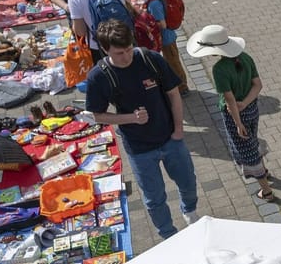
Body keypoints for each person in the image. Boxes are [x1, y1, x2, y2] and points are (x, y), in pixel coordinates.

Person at [85, 19, 199, 240]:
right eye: (120, 53)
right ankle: (168, 235)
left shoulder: (149, 59)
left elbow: (174, 93)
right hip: (139, 149)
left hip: (170, 138)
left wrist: (178, 131)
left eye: (129, 50)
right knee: (154, 197)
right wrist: (130, 118)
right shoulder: (99, 77)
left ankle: (190, 212)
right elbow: (96, 115)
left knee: (188, 182)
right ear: (105, 50)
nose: (127, 57)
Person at [187, 25, 275, 202]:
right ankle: (264, 171)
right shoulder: (246, 58)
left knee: (247, 151)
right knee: (252, 141)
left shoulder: (220, 69)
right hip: (252, 109)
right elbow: (258, 85)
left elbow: (229, 99)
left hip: (235, 115)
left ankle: (266, 190)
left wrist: (238, 123)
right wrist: (246, 103)